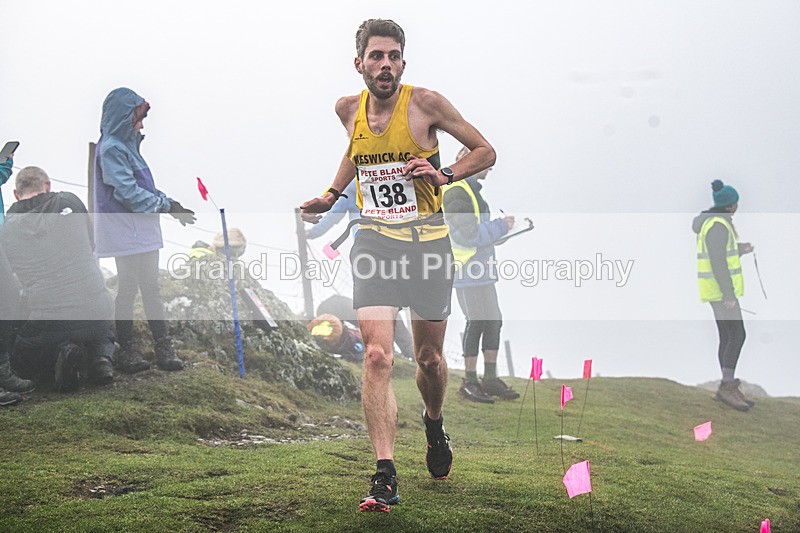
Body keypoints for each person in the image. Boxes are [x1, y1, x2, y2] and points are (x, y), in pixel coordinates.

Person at [300, 19, 496, 513]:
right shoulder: (348, 109)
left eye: (393, 57)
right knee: (377, 357)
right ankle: (384, 474)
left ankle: (434, 423)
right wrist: (331, 194)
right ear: (359, 62)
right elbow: (357, 154)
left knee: (429, 361)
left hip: (428, 246)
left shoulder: (426, 103)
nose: (384, 64)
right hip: (375, 244)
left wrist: (443, 172)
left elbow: (485, 150)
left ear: (402, 63)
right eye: (376, 56)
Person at [93, 87, 196, 374]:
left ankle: (162, 347)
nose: (142, 123)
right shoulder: (113, 147)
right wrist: (166, 206)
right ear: (125, 116)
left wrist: (171, 204)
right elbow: (129, 193)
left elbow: (143, 189)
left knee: (149, 288)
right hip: (126, 229)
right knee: (128, 289)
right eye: (139, 116)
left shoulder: (126, 146)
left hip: (141, 229)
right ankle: (128, 349)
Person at [1, 166, 115, 392]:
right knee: (98, 312)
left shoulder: (8, 227)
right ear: (48, 185)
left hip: (49, 317)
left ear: (15, 194)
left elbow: (11, 276)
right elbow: (90, 244)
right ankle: (101, 359)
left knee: (20, 355)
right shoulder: (71, 201)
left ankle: (60, 357)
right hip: (97, 310)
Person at [443, 146, 519, 404]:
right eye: (486, 161)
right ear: (469, 161)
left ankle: (489, 379)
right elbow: (468, 234)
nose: (490, 166)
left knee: (493, 320)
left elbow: (473, 233)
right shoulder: (456, 191)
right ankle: (470, 381)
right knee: (476, 321)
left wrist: (498, 234)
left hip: (481, 270)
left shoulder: (470, 191)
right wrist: (501, 226)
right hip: (466, 271)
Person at [692, 179, 754, 411]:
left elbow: (721, 253)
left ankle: (726, 385)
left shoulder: (713, 222)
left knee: (728, 336)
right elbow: (718, 262)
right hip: (721, 292)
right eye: (736, 202)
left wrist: (741, 249)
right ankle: (727, 387)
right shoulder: (718, 225)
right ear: (730, 205)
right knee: (737, 335)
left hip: (716, 291)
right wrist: (728, 293)